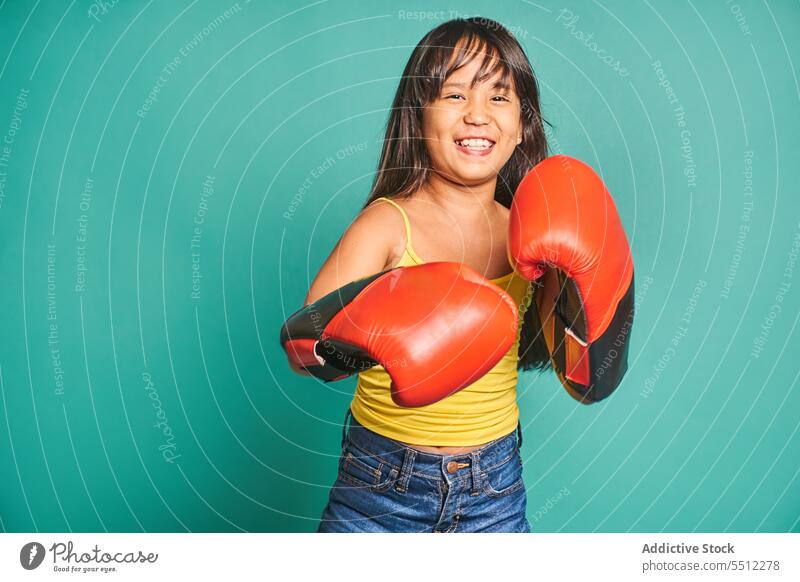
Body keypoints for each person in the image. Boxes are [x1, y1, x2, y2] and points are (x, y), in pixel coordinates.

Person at [301, 17, 552, 533]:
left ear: (524, 121)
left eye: (499, 97)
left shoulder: (533, 234)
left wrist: (578, 287)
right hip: (380, 482)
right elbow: (305, 346)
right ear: (418, 115)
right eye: (455, 95)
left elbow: (565, 354)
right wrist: (381, 336)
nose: (478, 115)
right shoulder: (389, 223)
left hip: (495, 484)